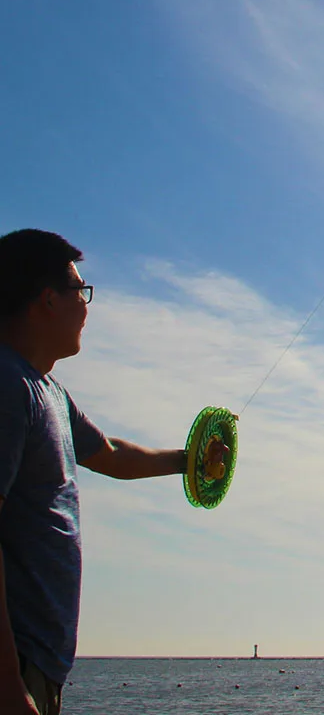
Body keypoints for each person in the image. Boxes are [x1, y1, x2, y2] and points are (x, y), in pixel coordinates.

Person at [0, 229, 196, 715]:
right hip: (15, 665)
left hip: (38, 665)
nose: (86, 307)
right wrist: (7, 685)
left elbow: (109, 453)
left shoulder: (49, 392)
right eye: (80, 291)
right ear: (47, 299)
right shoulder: (7, 385)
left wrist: (186, 462)